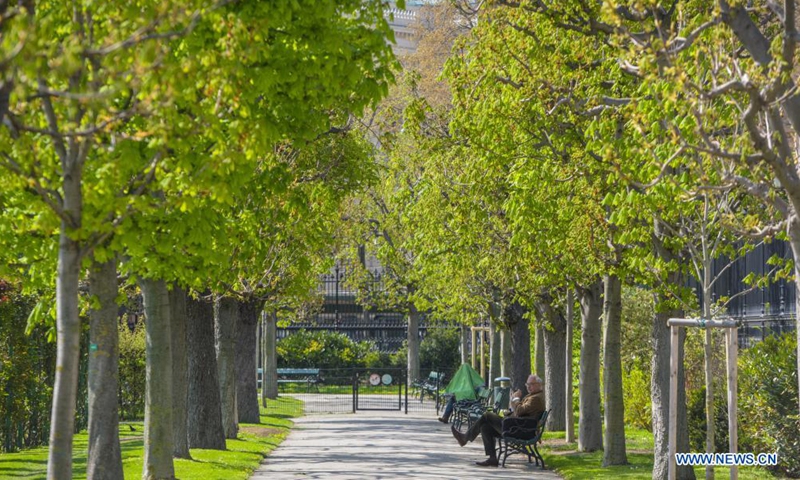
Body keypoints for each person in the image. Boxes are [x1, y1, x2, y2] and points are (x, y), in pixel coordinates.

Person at [451, 374, 545, 467]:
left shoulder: (535, 398)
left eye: (531, 384)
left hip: (518, 430)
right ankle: (492, 458)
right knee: (485, 427)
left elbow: (519, 411)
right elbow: (518, 411)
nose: (528, 387)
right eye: (527, 384)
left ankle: (465, 438)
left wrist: (516, 398)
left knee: (487, 415)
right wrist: (511, 407)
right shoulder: (533, 396)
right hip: (517, 427)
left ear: (539, 384)